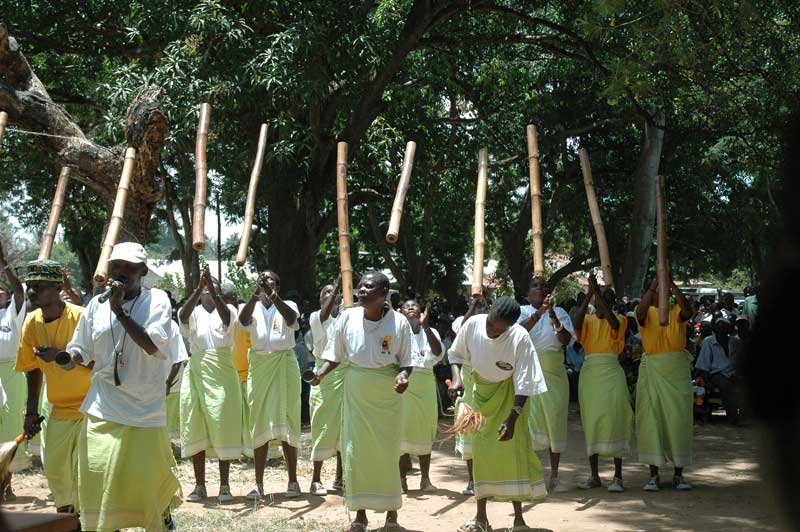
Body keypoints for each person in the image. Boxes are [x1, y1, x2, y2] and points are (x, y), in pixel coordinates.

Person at [62, 242, 183, 530]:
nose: (122, 271)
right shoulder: (96, 304)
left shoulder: (157, 301)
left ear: (143, 271)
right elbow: (82, 347)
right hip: (103, 404)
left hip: (144, 410)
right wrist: (71, 358)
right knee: (98, 476)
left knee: (145, 482)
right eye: (117, 266)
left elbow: (152, 346)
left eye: (130, 267)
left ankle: (162, 520)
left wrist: (119, 311)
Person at [313, 271, 421, 532]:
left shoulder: (399, 323)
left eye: (368, 287)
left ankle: (391, 515)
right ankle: (359, 515)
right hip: (356, 393)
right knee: (355, 452)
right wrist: (319, 374)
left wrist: (403, 377)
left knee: (387, 453)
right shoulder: (347, 318)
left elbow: (407, 361)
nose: (361, 290)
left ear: (383, 293)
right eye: (360, 286)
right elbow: (334, 355)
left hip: (388, 395)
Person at [448, 297, 548, 532]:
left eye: (497, 328)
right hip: (480, 396)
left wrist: (512, 419)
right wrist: (457, 379)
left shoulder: (519, 337)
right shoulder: (473, 324)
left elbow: (525, 382)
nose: (491, 330)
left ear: (510, 326)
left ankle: (519, 519)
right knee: (481, 454)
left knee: (514, 452)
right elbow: (455, 354)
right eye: (490, 323)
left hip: (511, 397)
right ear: (489, 312)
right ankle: (481, 517)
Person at [16, 259, 90, 514]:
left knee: (86, 472)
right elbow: (32, 369)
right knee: (57, 471)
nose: (32, 292)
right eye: (30, 286)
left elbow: (102, 363)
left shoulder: (82, 317)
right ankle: (67, 519)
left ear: (59, 287)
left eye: (40, 286)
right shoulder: (31, 322)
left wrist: (61, 355)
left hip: (92, 409)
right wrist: (32, 412)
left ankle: (87, 522)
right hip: (59, 408)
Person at [179, 265, 241, 503]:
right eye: (205, 284)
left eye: (213, 283)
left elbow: (227, 320)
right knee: (196, 425)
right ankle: (199, 485)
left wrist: (214, 293)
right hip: (196, 371)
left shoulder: (229, 311)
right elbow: (182, 318)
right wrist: (197, 289)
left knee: (222, 424)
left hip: (222, 372)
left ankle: (225, 485)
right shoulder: (192, 311)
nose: (208, 287)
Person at [238, 270, 302, 499]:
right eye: (262, 280)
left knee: (288, 419)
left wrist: (273, 296)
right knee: (259, 420)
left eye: (270, 280)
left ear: (278, 285)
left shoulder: (289, 304)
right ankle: (259, 484)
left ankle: (293, 481)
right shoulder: (251, 305)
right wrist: (255, 294)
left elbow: (292, 321)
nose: (265, 283)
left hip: (284, 365)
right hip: (260, 366)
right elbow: (243, 322)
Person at [573, 273, 632, 492]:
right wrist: (590, 295)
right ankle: (594, 475)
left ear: (613, 302)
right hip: (590, 374)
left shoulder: (622, 319)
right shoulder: (587, 320)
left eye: (607, 297)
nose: (602, 300)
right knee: (593, 421)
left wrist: (598, 293)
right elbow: (575, 323)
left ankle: (618, 476)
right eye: (601, 297)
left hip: (611, 373)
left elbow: (613, 322)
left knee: (615, 418)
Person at [635, 275, 694, 491]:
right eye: (659, 292)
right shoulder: (647, 313)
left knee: (678, 419)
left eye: (665, 292)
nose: (663, 295)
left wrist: (672, 285)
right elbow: (640, 314)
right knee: (651, 420)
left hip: (676, 371)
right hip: (652, 370)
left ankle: (679, 475)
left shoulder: (677, 312)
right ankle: (653, 475)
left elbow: (688, 311)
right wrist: (653, 285)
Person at [517, 276, 574, 492]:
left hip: (554, 375)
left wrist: (551, 315)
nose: (539, 289)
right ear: (527, 293)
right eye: (535, 286)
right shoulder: (521, 311)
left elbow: (566, 340)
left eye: (543, 286)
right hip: (528, 374)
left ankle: (555, 475)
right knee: (529, 423)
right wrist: (540, 312)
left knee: (555, 421)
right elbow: (520, 331)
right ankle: (530, 474)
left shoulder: (560, 313)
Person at [398, 299, 443, 493]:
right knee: (401, 431)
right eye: (406, 306)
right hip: (403, 383)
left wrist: (426, 328)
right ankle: (401, 480)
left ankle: (425, 479)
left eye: (414, 305)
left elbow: (439, 352)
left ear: (422, 311)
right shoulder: (396, 332)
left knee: (425, 429)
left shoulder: (430, 332)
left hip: (425, 385)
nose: (410, 308)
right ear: (400, 312)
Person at [452, 292, 491, 495]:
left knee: (487, 431)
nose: (479, 303)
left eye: (483, 301)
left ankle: (489, 479)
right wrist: (472, 308)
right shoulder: (462, 320)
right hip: (468, 379)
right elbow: (460, 333)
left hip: (489, 379)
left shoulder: (493, 321)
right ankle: (472, 480)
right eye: (475, 300)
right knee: (468, 430)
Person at [308, 279, 344, 495]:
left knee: (344, 428)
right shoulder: (316, 317)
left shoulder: (348, 315)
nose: (332, 295)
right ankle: (315, 479)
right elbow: (324, 314)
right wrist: (339, 285)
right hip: (322, 377)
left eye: (335, 292)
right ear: (321, 299)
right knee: (321, 427)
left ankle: (340, 479)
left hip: (345, 376)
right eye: (327, 292)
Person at [0, 241, 27, 500]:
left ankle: (7, 481)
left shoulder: (12, 314)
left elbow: (20, 290)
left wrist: (4, 264)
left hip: (11, 374)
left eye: (2, 290)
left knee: (9, 433)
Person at [695, 317, 743, 425]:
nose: (722, 331)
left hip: (733, 373)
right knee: (725, 384)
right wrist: (706, 381)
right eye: (720, 329)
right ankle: (733, 417)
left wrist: (737, 374)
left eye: (724, 329)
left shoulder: (735, 342)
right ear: (715, 330)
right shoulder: (708, 342)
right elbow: (704, 365)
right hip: (716, 374)